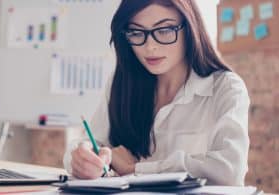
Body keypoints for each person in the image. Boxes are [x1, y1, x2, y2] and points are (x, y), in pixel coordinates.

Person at [63, 0, 250, 186]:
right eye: (136, 33)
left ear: (190, 27)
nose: (149, 46)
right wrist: (82, 158)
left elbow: (229, 170)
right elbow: (91, 142)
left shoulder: (226, 88)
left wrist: (137, 169)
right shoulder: (121, 83)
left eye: (164, 31)